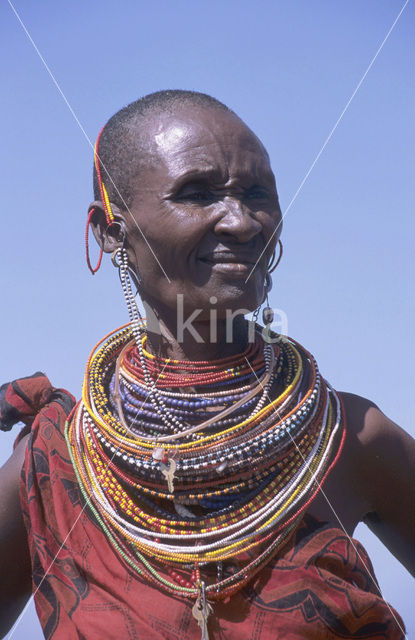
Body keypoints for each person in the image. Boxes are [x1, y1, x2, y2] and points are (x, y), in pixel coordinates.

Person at [0, 90, 414, 640]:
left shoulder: (350, 439)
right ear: (109, 229)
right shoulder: (55, 462)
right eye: (196, 193)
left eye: (257, 193)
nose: (241, 222)